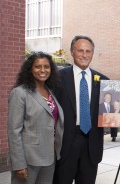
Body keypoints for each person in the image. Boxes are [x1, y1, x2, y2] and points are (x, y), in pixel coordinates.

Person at [53, 35, 109, 184]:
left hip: (92, 144)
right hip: (66, 143)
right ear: (72, 52)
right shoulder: (58, 78)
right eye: (80, 51)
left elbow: (108, 112)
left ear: (92, 53)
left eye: (88, 51)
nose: (84, 55)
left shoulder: (104, 81)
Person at [7, 52, 64, 184]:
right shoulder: (20, 93)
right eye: (37, 67)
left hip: (49, 156)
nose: (43, 70)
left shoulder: (50, 91)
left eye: (47, 66)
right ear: (30, 69)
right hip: (28, 158)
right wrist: (19, 163)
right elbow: (14, 131)